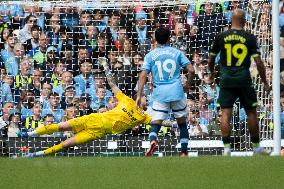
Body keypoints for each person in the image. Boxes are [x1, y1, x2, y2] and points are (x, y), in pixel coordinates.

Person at [16, 61, 154, 158]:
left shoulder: (144, 117)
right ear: (139, 97)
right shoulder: (126, 100)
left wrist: (174, 123)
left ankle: (34, 155)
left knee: (66, 144)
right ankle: (30, 134)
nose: (147, 100)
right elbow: (112, 84)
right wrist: (106, 66)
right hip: (93, 119)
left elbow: (160, 122)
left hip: (98, 133)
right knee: (61, 127)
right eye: (145, 98)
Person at [208, 9, 270, 156]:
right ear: (243, 21)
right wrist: (265, 81)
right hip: (243, 78)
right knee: (251, 112)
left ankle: (227, 149)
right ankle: (256, 147)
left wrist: (212, 74)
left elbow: (211, 59)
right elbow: (259, 62)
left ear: (232, 20)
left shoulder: (221, 36)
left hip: (226, 79)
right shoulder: (249, 37)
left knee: (225, 113)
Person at [136, 27, 195, 157]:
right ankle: (184, 152)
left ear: (155, 39)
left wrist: (139, 95)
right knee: (182, 123)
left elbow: (143, 75)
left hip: (160, 94)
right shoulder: (177, 52)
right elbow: (191, 70)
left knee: (155, 122)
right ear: (169, 38)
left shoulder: (150, 55)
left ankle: (153, 140)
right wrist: (187, 84)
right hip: (177, 92)